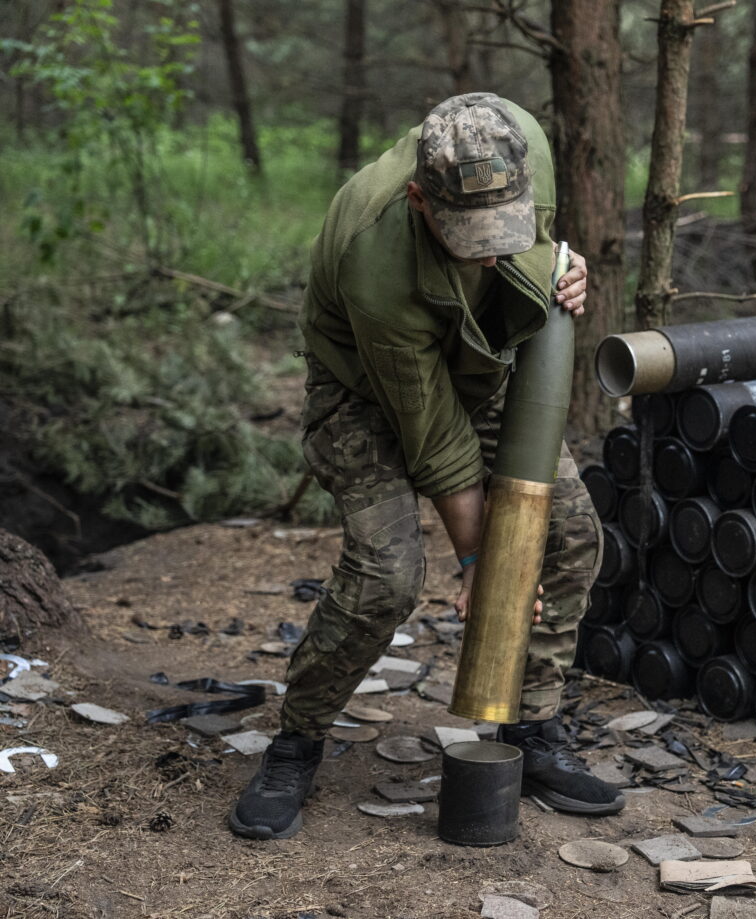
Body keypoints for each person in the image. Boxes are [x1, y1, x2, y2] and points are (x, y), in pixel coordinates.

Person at [230, 93, 621, 840]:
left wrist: (566, 274)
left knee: (570, 535)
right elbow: (435, 436)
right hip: (366, 389)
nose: (494, 251)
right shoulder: (373, 260)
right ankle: (298, 739)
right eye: (474, 237)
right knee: (387, 572)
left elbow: (542, 249)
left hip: (482, 360)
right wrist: (480, 557)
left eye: (503, 229)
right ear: (420, 201)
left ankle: (529, 729)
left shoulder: (522, 143)